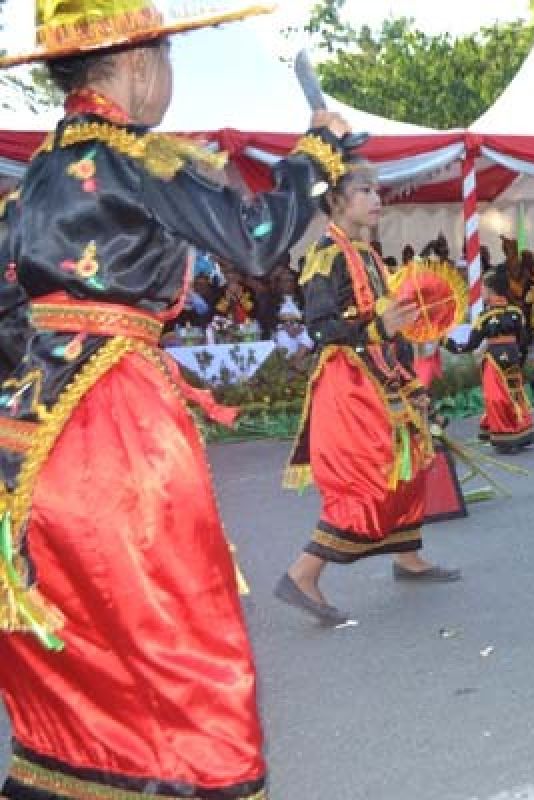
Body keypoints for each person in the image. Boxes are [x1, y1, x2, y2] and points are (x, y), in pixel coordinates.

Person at [0, 3, 346, 797]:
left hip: (24, 436)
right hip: (112, 432)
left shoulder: (40, 174)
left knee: (72, 655)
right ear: (142, 62)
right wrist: (313, 159)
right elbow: (256, 241)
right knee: (186, 634)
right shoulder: (136, 159)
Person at [278, 156, 460, 628]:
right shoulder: (327, 257)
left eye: (377, 191)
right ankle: (303, 573)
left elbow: (388, 330)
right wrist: (377, 328)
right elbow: (320, 329)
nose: (377, 199)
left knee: (412, 464)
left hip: (381, 374)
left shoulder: (370, 256)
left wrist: (410, 380)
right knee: (370, 477)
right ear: (337, 200)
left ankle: (407, 556)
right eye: (365, 191)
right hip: (350, 384)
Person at [445, 272, 534, 453]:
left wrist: (446, 342)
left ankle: (505, 433)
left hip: (494, 360)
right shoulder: (516, 313)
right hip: (513, 359)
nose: (482, 292)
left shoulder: (485, 317)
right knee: (514, 394)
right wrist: (520, 359)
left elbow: (469, 345)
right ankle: (520, 430)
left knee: (496, 397)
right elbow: (525, 340)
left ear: (491, 291)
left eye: (483, 289)